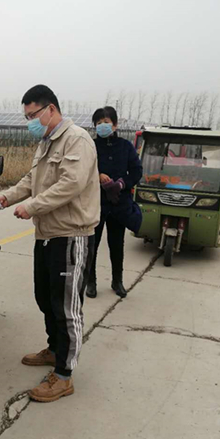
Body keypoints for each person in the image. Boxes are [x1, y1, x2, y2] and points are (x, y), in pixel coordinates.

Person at [0, 85, 100, 403]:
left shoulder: (77, 139)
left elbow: (71, 183)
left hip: (70, 234)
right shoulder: (46, 143)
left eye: (33, 115)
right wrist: (6, 197)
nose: (31, 122)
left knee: (66, 307)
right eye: (27, 117)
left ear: (51, 109)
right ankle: (55, 350)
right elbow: (31, 180)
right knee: (46, 298)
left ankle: (64, 375)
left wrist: (33, 206)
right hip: (46, 235)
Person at [86, 106, 143, 299]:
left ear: (115, 125)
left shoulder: (125, 146)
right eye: (99, 123)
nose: (102, 125)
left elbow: (136, 171)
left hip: (119, 204)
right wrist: (97, 175)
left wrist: (121, 184)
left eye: (106, 122)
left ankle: (117, 280)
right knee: (91, 245)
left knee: (117, 244)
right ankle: (91, 281)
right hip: (96, 204)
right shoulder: (90, 146)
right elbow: (82, 169)